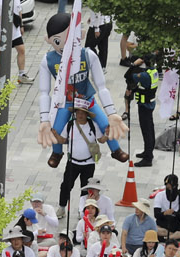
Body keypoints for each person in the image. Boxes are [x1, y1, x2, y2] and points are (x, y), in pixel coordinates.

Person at [37, 11, 128, 167]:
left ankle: (116, 149)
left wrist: (111, 111)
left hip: (86, 98)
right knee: (55, 129)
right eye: (59, 40)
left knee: (105, 123)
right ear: (50, 40)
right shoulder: (48, 60)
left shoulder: (87, 55)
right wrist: (44, 119)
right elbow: (44, 92)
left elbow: (101, 86)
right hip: (65, 101)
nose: (66, 44)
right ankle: (57, 152)